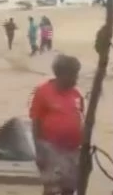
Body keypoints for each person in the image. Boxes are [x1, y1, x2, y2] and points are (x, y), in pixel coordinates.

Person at [30, 54, 84, 195]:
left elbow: (80, 118)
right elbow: (36, 121)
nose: (76, 79)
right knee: (52, 189)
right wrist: (39, 150)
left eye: (76, 74)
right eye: (73, 75)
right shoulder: (43, 92)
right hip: (51, 149)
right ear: (61, 74)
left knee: (69, 189)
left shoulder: (76, 94)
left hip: (73, 151)